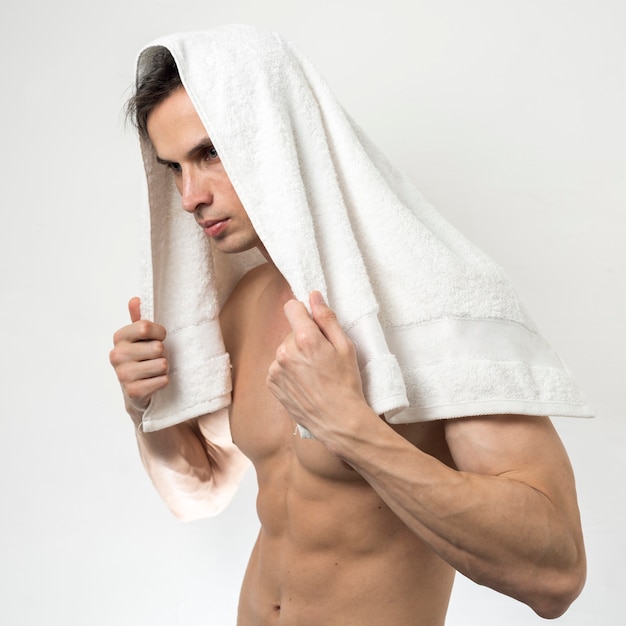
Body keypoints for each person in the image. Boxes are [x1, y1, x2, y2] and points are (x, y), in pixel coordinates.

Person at [110, 26, 588, 625]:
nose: (189, 197)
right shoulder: (248, 303)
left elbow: (557, 575)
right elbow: (201, 494)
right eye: (175, 167)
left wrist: (352, 429)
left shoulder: (433, 298)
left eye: (211, 153)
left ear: (278, 136)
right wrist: (146, 411)